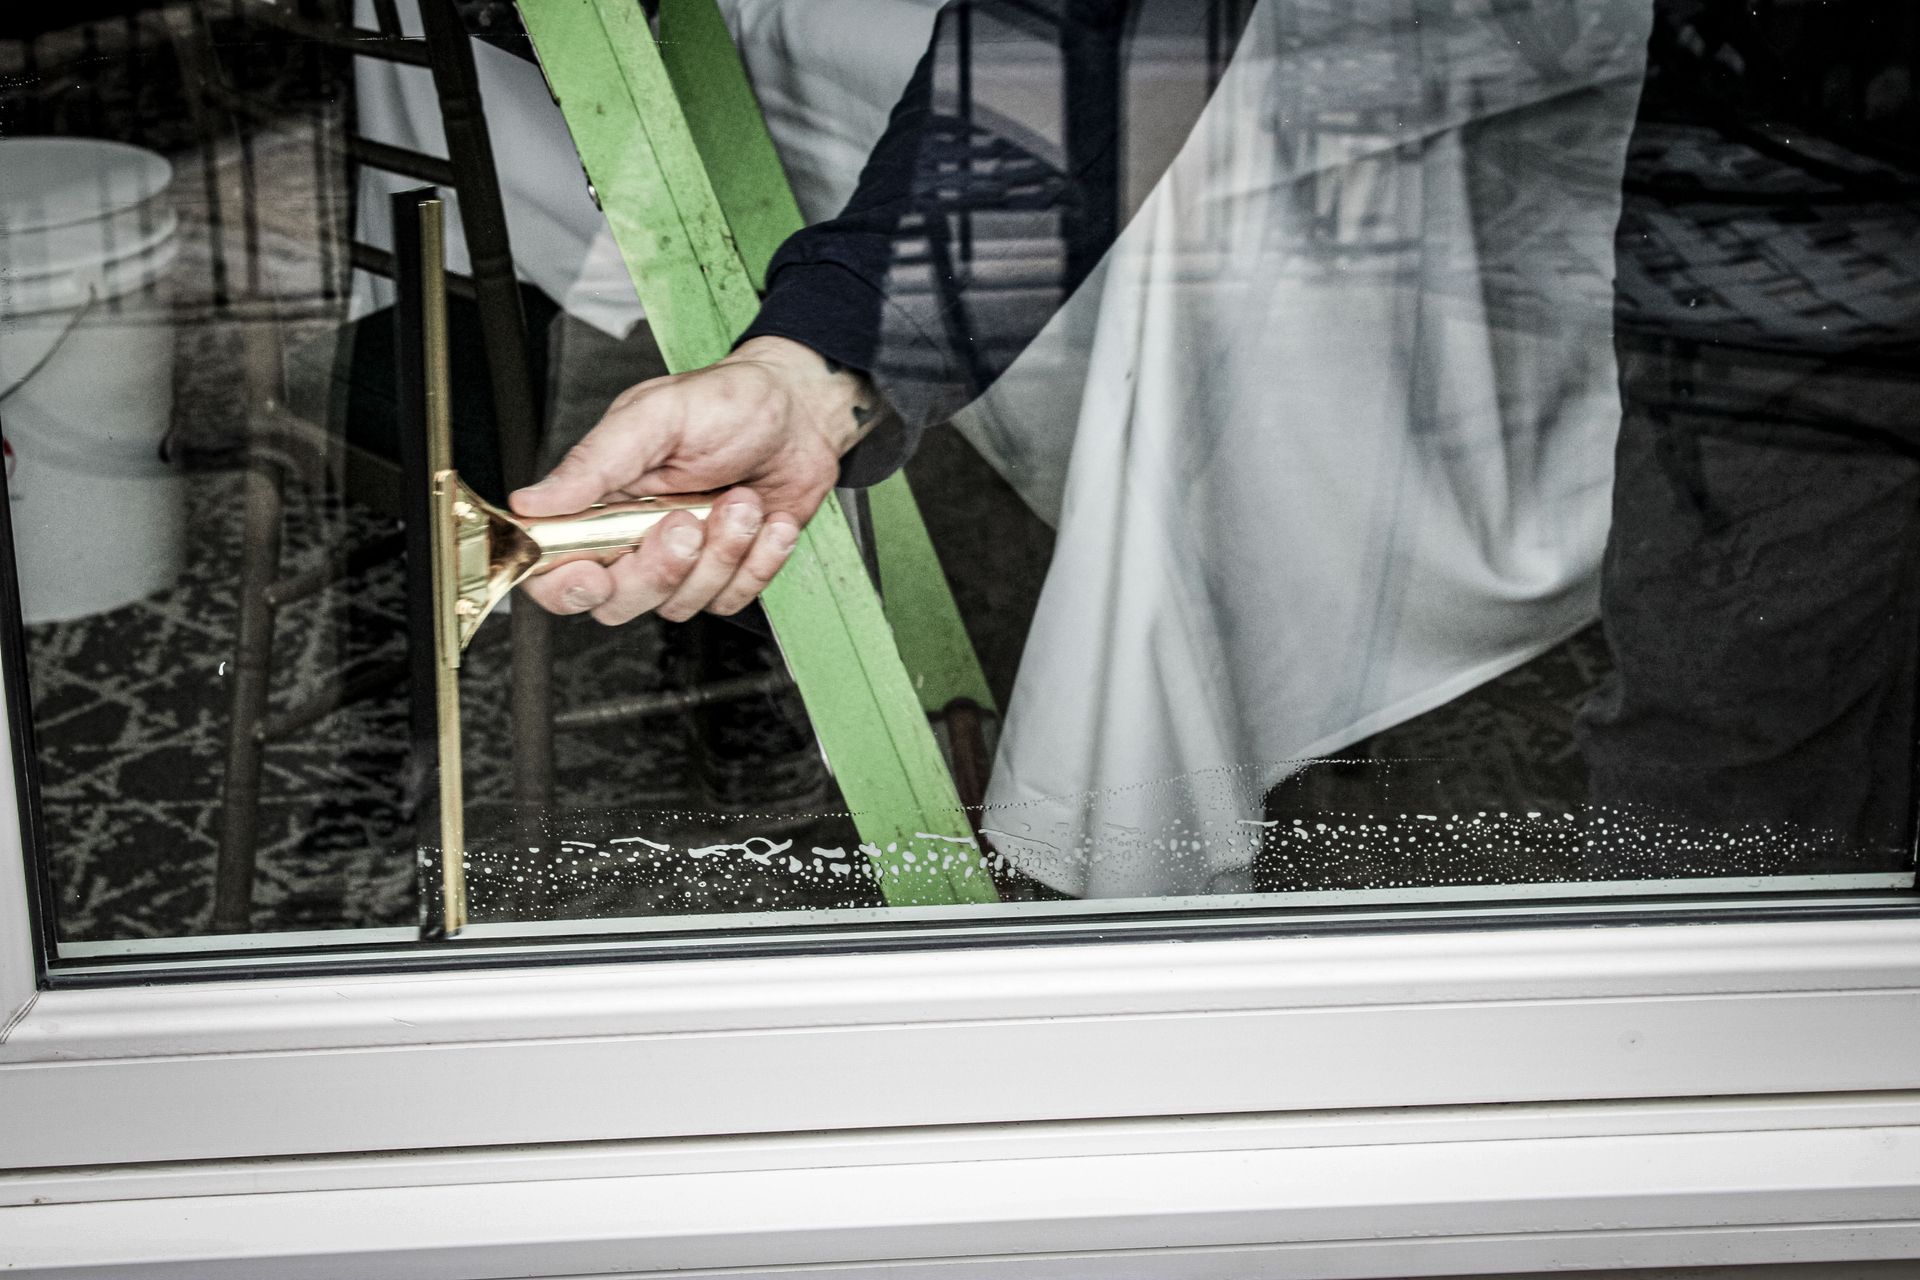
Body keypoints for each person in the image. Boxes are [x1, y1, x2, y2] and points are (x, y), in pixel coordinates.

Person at [513, 0, 1920, 876]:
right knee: (1737, 771)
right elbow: (1099, 18)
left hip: (1792, 173)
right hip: (1797, 209)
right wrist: (823, 360)